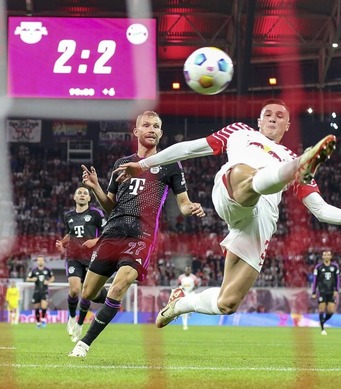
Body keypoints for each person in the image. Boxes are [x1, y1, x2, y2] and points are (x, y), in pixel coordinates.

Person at [113, 99, 341, 329]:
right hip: (231, 190)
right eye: (268, 114)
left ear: (288, 125)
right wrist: (145, 164)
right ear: (259, 120)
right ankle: (297, 168)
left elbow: (321, 211)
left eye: (280, 116)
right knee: (246, 174)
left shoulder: (288, 154)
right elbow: (189, 148)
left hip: (258, 223)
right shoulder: (239, 132)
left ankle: (180, 302)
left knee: (227, 303)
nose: (273, 119)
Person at [69, 110, 206, 357]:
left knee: (118, 286)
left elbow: (183, 204)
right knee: (86, 293)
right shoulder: (121, 164)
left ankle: (84, 343)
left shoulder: (169, 164)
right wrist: (96, 186)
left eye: (156, 126)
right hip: (113, 231)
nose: (152, 129)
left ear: (161, 133)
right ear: (137, 131)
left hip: (141, 235)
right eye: (147, 125)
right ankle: (108, 304)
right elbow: (110, 206)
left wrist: (191, 207)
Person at [56, 185, 106, 341]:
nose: (83, 195)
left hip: (92, 259)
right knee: (74, 290)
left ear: (90, 198)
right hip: (74, 257)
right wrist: (63, 243)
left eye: (85, 193)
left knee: (88, 293)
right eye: (79, 193)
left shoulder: (96, 214)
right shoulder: (68, 216)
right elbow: (71, 233)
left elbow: (107, 232)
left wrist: (95, 241)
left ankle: (79, 323)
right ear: (75, 197)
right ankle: (71, 317)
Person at [311, 249, 340, 335]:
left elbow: (338, 279)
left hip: (331, 291)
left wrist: (336, 289)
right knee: (321, 309)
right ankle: (322, 329)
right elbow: (315, 280)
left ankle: (322, 321)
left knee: (331, 311)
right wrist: (313, 291)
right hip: (322, 291)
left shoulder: (335, 267)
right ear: (323, 257)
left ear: (330, 257)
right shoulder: (318, 267)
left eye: (328, 255)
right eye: (325, 255)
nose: (327, 256)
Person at [26, 256, 55, 328]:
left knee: (44, 306)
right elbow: (27, 278)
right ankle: (38, 322)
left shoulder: (47, 270)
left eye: (41, 260)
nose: (40, 261)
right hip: (36, 291)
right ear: (37, 262)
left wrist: (48, 281)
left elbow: (53, 277)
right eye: (39, 260)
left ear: (43, 261)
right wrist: (33, 279)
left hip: (44, 291)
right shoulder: (34, 270)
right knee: (36, 308)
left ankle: (43, 320)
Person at [177, 266, 199, 330]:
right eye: (187, 270)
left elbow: (197, 285)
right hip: (184, 293)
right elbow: (178, 284)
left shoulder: (193, 277)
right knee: (184, 310)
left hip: (191, 293)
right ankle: (185, 325)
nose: (187, 271)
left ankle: (190, 313)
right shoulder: (181, 277)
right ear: (185, 270)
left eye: (189, 270)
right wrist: (181, 288)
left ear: (190, 271)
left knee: (191, 307)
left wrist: (192, 289)